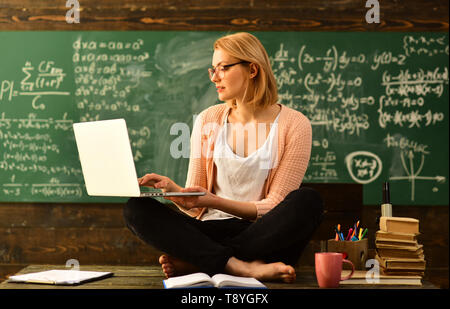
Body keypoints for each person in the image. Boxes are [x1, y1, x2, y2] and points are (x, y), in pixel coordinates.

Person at [123, 32, 323, 283]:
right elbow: (197, 207)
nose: (214, 77)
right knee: (135, 208)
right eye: (213, 70)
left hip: (262, 234)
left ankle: (202, 261)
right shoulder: (208, 119)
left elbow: (275, 207)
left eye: (223, 68)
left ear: (252, 69)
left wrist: (215, 202)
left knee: (308, 201)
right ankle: (243, 267)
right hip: (210, 231)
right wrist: (177, 193)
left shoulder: (295, 124)